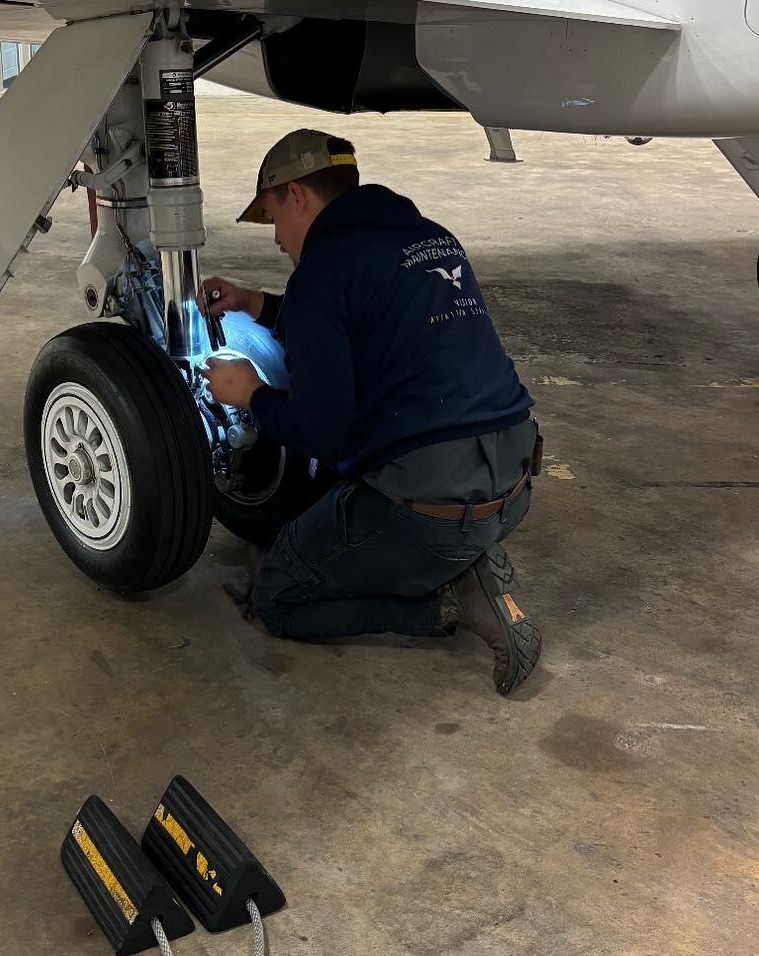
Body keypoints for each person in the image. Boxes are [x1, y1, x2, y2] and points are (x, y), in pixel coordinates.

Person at [200, 129, 542, 695]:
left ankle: (448, 600)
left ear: (298, 196)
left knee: (278, 596)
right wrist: (256, 302)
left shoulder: (321, 271)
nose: (278, 240)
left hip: (432, 504)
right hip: (515, 483)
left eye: (274, 218)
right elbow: (364, 321)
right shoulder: (429, 238)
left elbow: (323, 432)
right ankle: (463, 556)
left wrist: (250, 395)